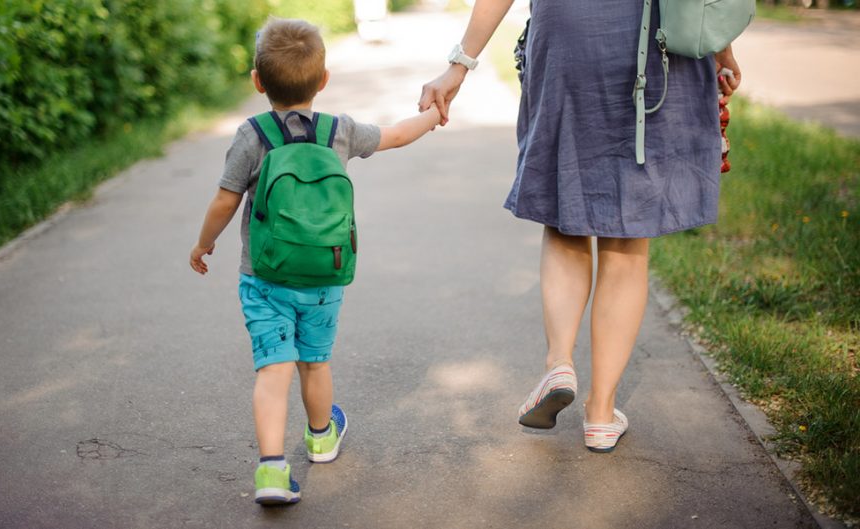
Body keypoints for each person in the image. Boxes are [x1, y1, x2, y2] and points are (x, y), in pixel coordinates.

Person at [419, 0, 741, 453]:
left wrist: (459, 65)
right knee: (629, 236)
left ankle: (559, 364)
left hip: (567, 37)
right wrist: (720, 45)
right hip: (656, 37)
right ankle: (602, 414)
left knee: (566, 213)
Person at [190, 18, 442, 505]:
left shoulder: (253, 134)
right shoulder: (338, 131)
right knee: (315, 363)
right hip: (325, 276)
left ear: (257, 81)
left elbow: (225, 200)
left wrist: (204, 244)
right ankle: (322, 436)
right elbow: (395, 136)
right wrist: (433, 114)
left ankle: (271, 471)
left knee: (273, 370)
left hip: (264, 277)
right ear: (323, 80)